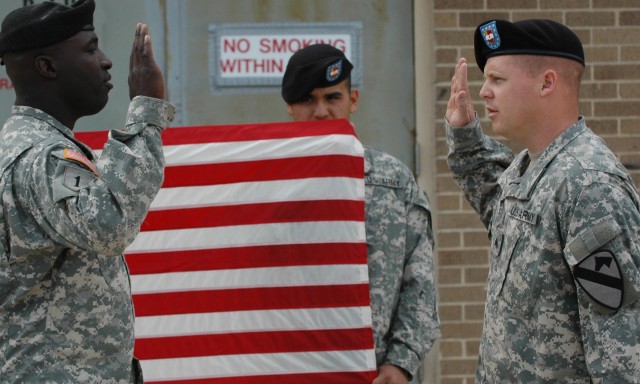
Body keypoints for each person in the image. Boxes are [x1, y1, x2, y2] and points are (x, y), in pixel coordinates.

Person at [445, 19, 640, 382]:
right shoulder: (531, 167)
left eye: (497, 80)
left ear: (547, 83)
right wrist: (465, 136)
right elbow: (503, 208)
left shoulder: (588, 185)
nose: (485, 92)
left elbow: (621, 350)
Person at [0, 0, 175, 382]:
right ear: (47, 67)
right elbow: (108, 222)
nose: (107, 61)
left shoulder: (32, 146)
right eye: (90, 48)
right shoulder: (42, 157)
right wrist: (146, 112)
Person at [281, 44, 439, 384]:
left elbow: (419, 284)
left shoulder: (393, 183)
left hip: (373, 375)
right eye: (308, 100)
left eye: (332, 97)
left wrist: (400, 363)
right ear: (290, 108)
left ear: (353, 100)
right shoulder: (269, 185)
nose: (321, 111)